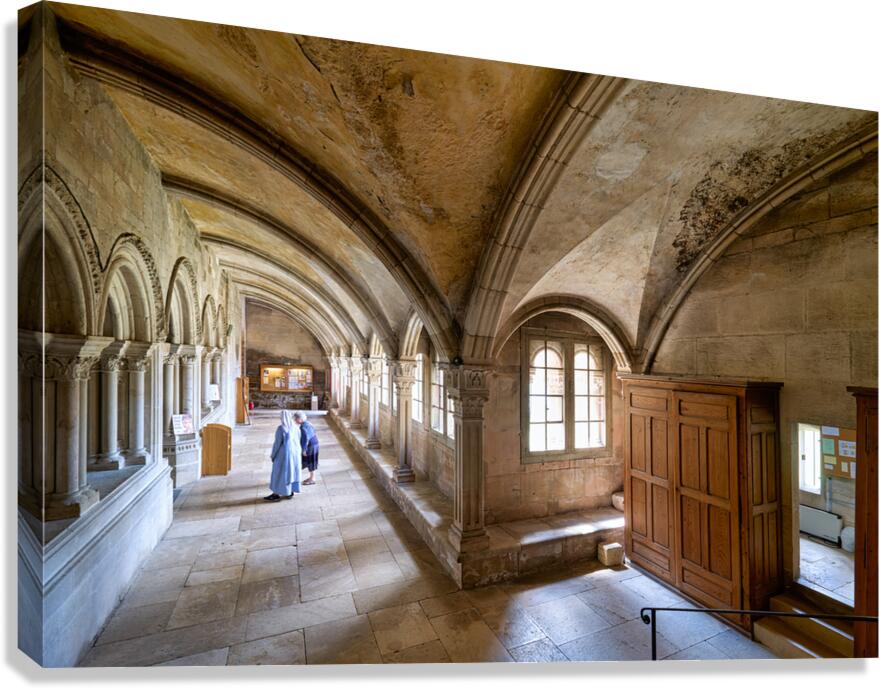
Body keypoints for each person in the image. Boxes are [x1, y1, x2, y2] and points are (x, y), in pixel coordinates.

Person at [264, 409, 302, 501]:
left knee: (280, 474)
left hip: (284, 455)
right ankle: (290, 492)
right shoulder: (296, 427)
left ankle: (276, 494)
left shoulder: (281, 429)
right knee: (292, 472)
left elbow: (277, 443)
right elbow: (298, 440)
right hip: (295, 453)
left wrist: (273, 455)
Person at [294, 411, 319, 485]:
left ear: (300, 419)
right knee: (311, 460)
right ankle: (312, 477)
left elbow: (305, 439)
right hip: (315, 443)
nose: (295, 420)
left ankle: (312, 479)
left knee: (310, 461)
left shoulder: (303, 427)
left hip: (311, 445)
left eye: (296, 419)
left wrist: (304, 450)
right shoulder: (308, 423)